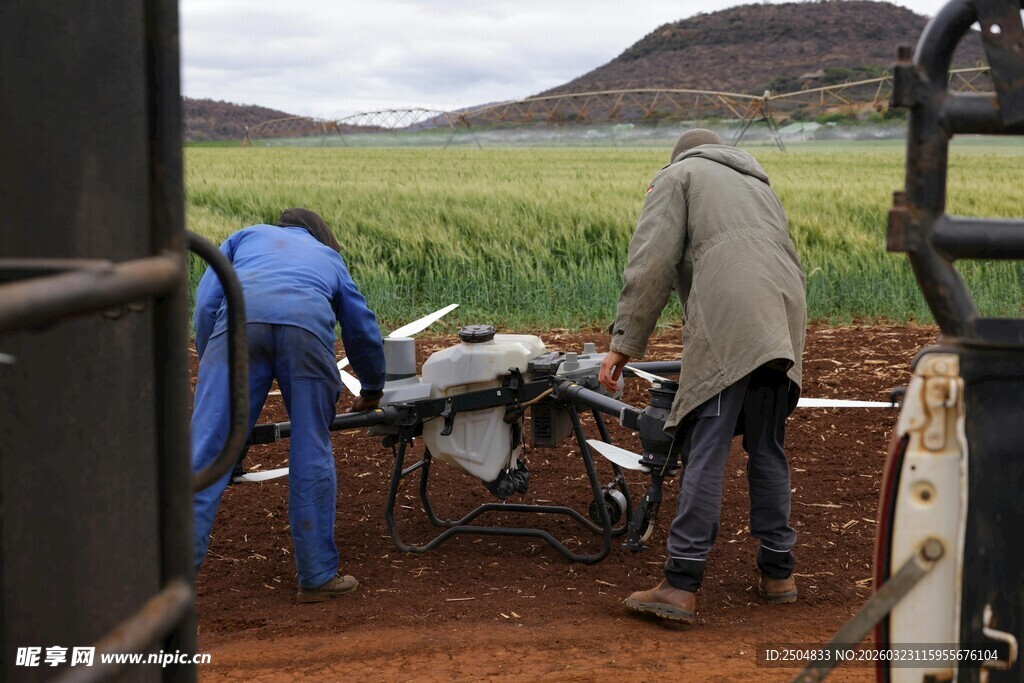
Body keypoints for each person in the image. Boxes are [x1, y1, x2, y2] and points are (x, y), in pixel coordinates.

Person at [598, 129, 806, 624]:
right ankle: (779, 572)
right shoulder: (758, 183)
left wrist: (623, 344)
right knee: (767, 444)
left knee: (705, 445)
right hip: (784, 313)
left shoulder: (678, 175)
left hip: (732, 315)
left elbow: (651, 263)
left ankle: (681, 583)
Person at [191, 208, 386, 603]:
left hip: (238, 328)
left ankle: (170, 581)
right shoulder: (329, 257)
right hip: (306, 331)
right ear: (320, 234)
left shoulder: (243, 237)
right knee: (311, 447)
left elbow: (207, 302)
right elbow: (361, 327)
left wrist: (214, 352)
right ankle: (316, 576)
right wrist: (372, 387)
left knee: (205, 455)